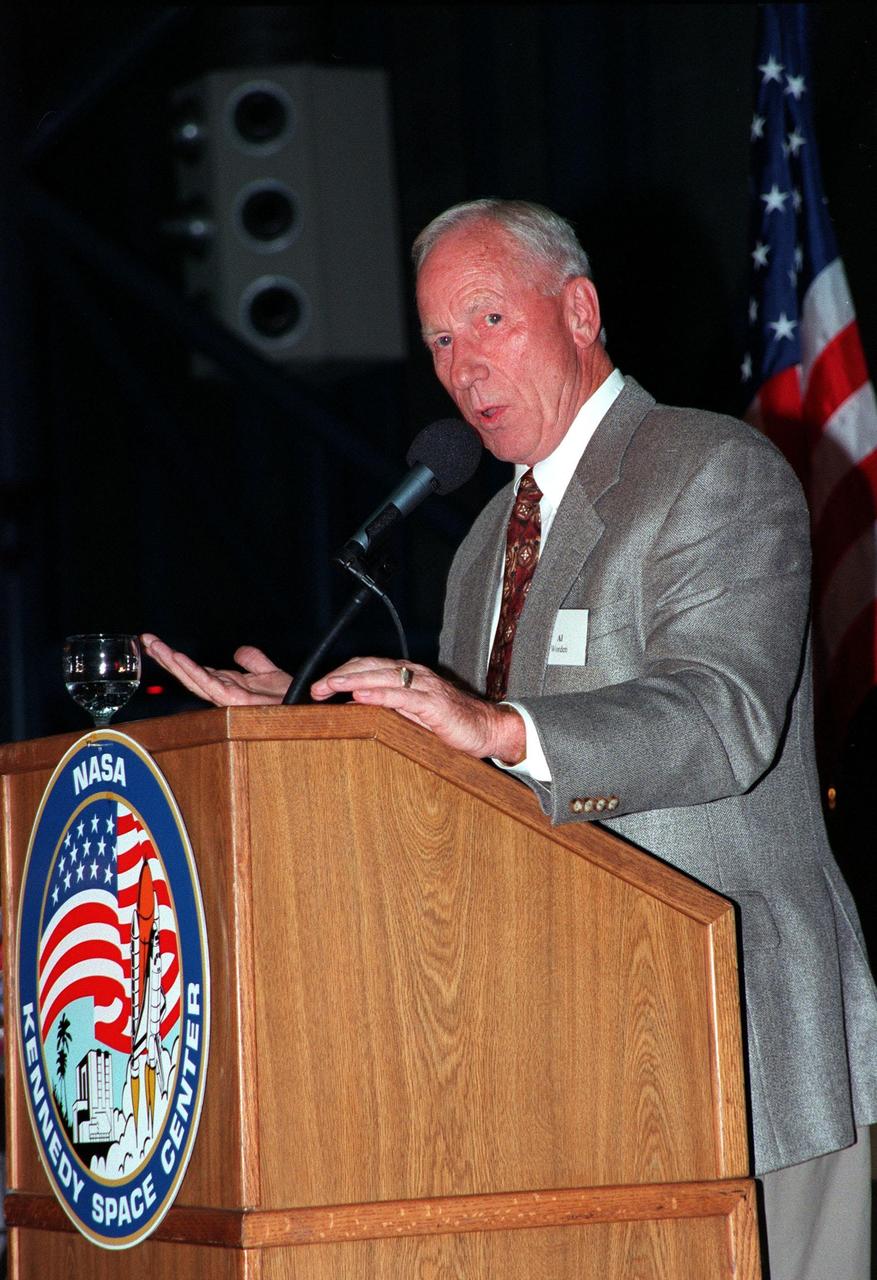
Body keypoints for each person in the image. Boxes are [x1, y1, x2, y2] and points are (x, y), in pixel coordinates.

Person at [143, 198, 877, 1280]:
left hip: (743, 1040)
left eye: (488, 319)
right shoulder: (485, 538)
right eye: (440, 338)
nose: (462, 366)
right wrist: (309, 727)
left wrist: (496, 723)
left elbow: (722, 715)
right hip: (561, 1053)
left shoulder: (708, 466)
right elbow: (468, 786)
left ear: (578, 311)